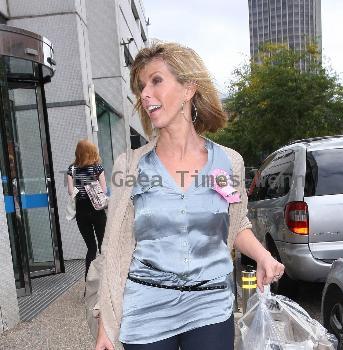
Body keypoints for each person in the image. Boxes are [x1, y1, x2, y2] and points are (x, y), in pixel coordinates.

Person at [93, 42, 285, 350]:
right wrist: (106, 324)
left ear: (188, 88)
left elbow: (236, 224)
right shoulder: (129, 166)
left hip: (210, 305)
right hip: (146, 308)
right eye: (141, 87)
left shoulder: (227, 162)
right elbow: (113, 248)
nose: (144, 94)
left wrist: (263, 255)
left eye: (156, 81)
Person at [67, 139, 107, 280]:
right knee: (103, 246)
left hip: (81, 211)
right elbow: (103, 190)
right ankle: (105, 282)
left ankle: (89, 282)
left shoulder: (72, 169)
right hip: (97, 210)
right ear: (91, 152)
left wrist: (81, 190)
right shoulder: (97, 168)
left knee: (91, 248)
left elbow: (71, 191)